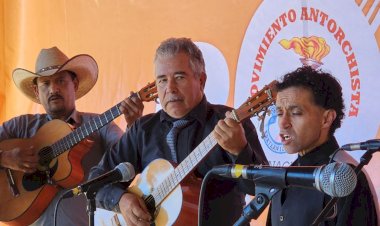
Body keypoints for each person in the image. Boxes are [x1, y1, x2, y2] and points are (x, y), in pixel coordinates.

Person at [89, 37, 268, 226]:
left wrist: (240, 150)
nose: (170, 88)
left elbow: (261, 188)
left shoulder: (230, 122)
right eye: (162, 80)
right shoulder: (143, 130)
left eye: (179, 77)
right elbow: (96, 180)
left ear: (201, 80)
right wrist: (122, 200)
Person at [0, 47, 144, 225]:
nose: (54, 89)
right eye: (45, 83)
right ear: (37, 91)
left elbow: (129, 161)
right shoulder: (19, 127)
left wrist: (133, 126)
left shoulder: (101, 125)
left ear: (74, 84)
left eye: (60, 80)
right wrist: (5, 158)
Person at [268, 66, 378, 225]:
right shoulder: (283, 177)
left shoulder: (345, 178)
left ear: (326, 119)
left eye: (296, 113)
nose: (283, 123)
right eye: (279, 113)